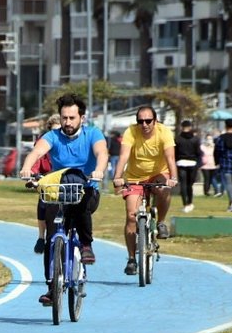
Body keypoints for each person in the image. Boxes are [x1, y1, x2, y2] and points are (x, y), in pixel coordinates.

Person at [20, 94, 108, 305]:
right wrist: (26, 167)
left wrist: (98, 170)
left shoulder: (93, 134)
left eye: (72, 118)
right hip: (59, 192)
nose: (67, 122)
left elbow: (102, 153)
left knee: (82, 203)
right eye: (64, 118)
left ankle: (86, 245)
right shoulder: (53, 136)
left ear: (82, 118)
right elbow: (38, 151)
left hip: (86, 188)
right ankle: (52, 287)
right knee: (52, 238)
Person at [111, 106, 178, 275]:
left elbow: (170, 157)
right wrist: (118, 177)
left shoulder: (164, 132)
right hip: (135, 177)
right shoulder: (131, 132)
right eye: (141, 121)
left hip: (158, 174)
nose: (145, 124)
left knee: (163, 190)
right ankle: (132, 258)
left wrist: (173, 178)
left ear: (155, 121)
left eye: (148, 121)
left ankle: (161, 222)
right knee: (131, 216)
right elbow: (124, 156)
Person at [31, 114, 61, 254]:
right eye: (54, 130)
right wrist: (33, 175)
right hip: (48, 182)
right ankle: (41, 236)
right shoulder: (43, 142)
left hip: (66, 181)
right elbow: (36, 159)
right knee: (43, 201)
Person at [174, 120, 202, 213]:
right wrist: (199, 164)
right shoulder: (195, 139)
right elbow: (198, 153)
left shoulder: (178, 139)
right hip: (192, 163)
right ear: (190, 127)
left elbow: (175, 153)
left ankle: (185, 204)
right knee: (190, 185)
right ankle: (190, 202)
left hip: (181, 162)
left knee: (183, 184)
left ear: (182, 127)